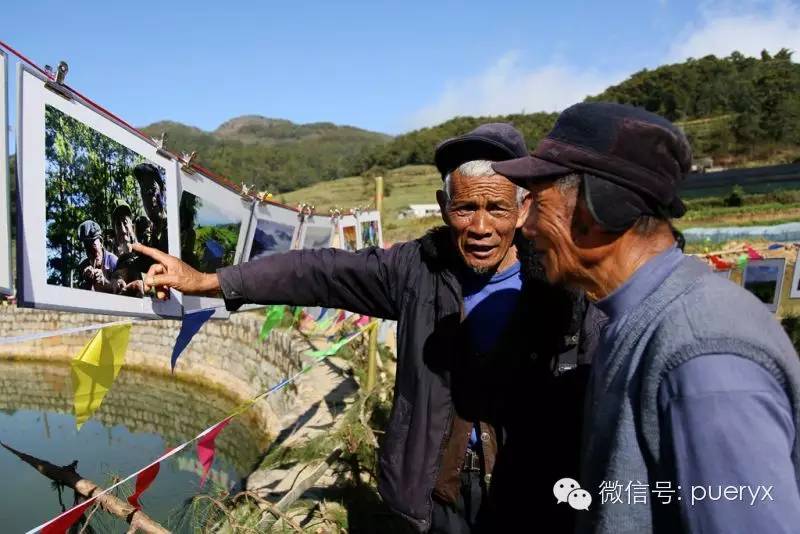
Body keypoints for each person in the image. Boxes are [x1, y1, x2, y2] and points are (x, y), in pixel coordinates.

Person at [134, 123, 591, 533]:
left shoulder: (560, 280)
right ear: (443, 206)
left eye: (497, 208)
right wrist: (211, 281)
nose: (481, 227)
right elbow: (319, 272)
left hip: (528, 488)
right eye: (466, 208)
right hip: (438, 493)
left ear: (523, 207)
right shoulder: (417, 270)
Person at [492, 102, 800, 534]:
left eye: (539, 205)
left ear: (595, 208)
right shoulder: (634, 319)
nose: (527, 229)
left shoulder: (702, 353)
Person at [76, 220, 122, 294]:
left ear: (101, 242)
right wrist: (87, 282)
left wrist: (105, 282)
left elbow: (122, 291)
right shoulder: (83, 266)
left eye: (93, 246)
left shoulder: (113, 262)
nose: (91, 254)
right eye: (87, 248)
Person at [133, 162, 168, 251]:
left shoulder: (172, 228)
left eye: (152, 191)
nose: (150, 199)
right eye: (144, 193)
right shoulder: (147, 234)